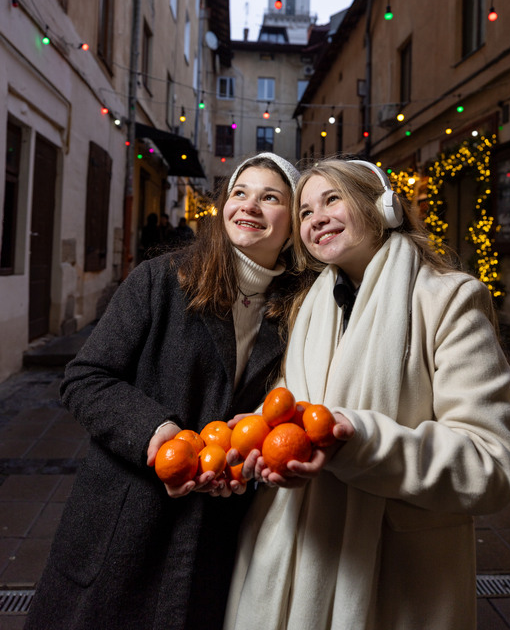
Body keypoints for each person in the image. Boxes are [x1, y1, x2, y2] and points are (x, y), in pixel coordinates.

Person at [224, 158, 510, 630]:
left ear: (380, 206)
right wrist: (259, 435)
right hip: (296, 549)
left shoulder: (450, 300)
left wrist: (358, 441)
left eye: (332, 200)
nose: (316, 218)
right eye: (305, 212)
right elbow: (293, 400)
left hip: (395, 572)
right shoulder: (309, 304)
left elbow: (491, 465)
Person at [24, 152, 303, 630]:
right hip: (125, 517)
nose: (249, 205)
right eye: (239, 193)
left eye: (270, 197)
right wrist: (156, 432)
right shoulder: (161, 279)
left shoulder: (295, 310)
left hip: (214, 530)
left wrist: (247, 453)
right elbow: (86, 377)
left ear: (293, 225)